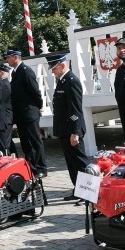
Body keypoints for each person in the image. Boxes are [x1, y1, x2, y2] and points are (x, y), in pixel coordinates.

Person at [47, 52, 88, 201]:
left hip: (72, 130)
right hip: (64, 129)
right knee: (71, 163)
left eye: (54, 68)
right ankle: (78, 189)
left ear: (62, 65)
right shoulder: (63, 81)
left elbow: (75, 109)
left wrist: (75, 132)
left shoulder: (72, 81)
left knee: (80, 162)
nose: (52, 71)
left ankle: (88, 192)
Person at [5, 49, 48, 177]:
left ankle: (41, 168)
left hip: (30, 113)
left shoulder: (25, 71)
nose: (6, 60)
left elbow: (35, 91)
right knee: (25, 143)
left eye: (8, 58)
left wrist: (39, 106)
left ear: (15, 57)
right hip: (21, 115)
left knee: (35, 141)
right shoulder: (16, 72)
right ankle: (31, 167)